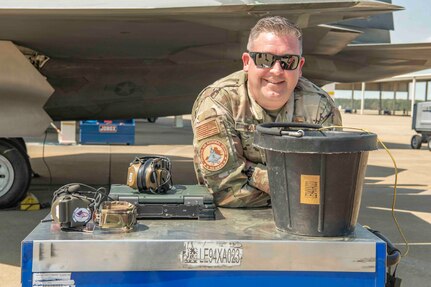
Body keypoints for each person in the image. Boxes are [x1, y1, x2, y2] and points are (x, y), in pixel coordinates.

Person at [191, 16, 342, 208]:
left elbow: (330, 185)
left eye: (288, 61)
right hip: (231, 219)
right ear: (247, 62)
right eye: (265, 59)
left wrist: (248, 170)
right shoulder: (219, 102)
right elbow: (225, 190)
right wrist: (297, 190)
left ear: (300, 67)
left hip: (303, 220)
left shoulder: (320, 107)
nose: (277, 70)